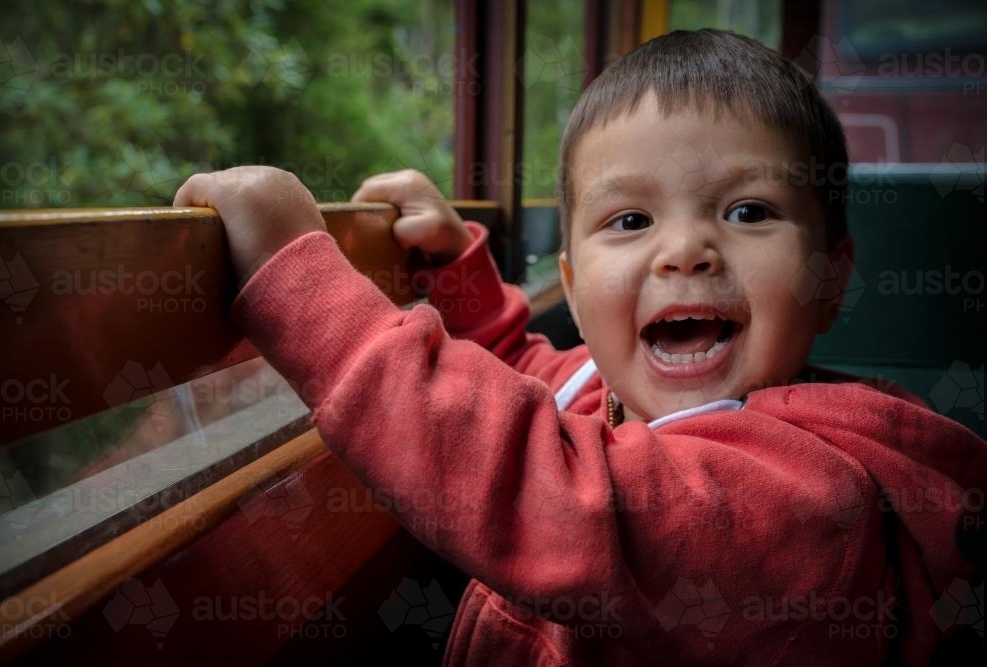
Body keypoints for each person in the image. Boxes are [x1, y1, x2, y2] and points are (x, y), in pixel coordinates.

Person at [174, 29, 985, 666]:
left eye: (747, 212)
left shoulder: (808, 503)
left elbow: (546, 484)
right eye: (630, 221)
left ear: (829, 280)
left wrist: (300, 284)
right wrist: (461, 280)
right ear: (573, 279)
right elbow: (538, 383)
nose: (686, 251)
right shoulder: (619, 384)